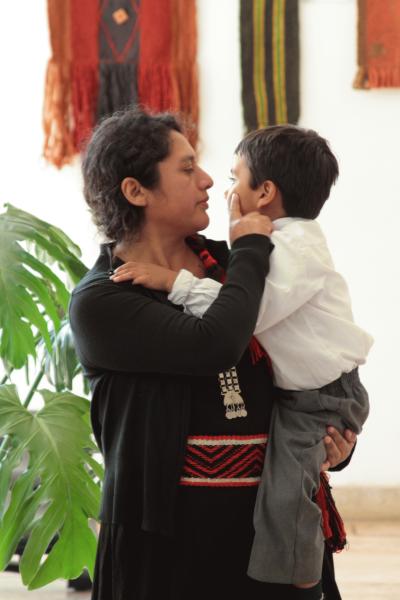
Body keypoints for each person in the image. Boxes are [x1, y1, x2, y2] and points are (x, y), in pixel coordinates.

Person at [69, 108, 357, 600]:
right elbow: (216, 342)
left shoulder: (239, 265)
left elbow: (317, 352)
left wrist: (336, 441)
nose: (207, 180)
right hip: (170, 549)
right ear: (136, 191)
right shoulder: (104, 300)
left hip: (271, 537)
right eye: (186, 169)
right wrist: (250, 248)